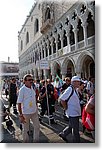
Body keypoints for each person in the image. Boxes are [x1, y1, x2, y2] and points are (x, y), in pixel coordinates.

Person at [17, 74, 40, 143]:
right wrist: (20, 115)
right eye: (29, 80)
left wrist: (36, 105)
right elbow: (19, 103)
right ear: (25, 81)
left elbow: (34, 98)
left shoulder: (32, 87)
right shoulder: (22, 90)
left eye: (32, 79)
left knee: (37, 127)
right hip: (25, 113)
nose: (31, 81)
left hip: (34, 112)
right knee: (25, 130)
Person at [59, 76, 81, 143]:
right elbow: (62, 99)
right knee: (75, 130)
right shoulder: (70, 89)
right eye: (78, 82)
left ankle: (63, 134)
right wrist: (65, 108)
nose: (79, 83)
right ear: (74, 82)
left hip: (75, 112)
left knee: (71, 126)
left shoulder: (75, 89)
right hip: (72, 112)